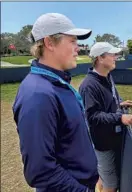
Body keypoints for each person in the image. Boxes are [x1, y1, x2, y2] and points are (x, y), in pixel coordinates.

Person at [12, 13, 99, 192]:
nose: (79, 48)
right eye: (73, 41)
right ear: (49, 43)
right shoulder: (38, 94)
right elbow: (41, 171)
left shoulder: (57, 83)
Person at [79, 42, 132, 192]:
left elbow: (107, 104)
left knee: (107, 177)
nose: (116, 57)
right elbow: (93, 116)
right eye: (112, 54)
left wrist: (119, 104)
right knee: (111, 185)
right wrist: (120, 118)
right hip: (103, 144)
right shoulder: (89, 85)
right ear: (100, 58)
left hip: (114, 139)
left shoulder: (107, 77)